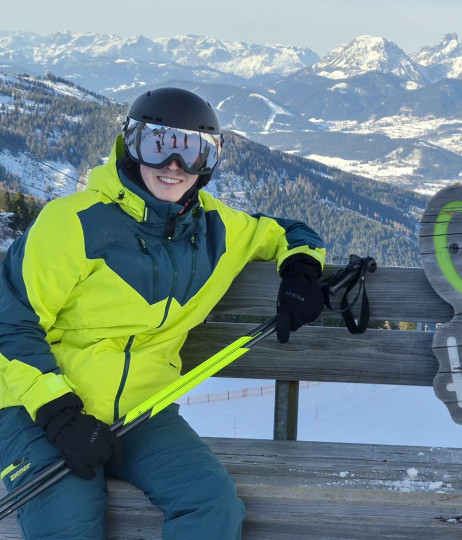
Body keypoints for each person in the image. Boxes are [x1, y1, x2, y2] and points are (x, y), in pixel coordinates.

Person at [0, 87, 327, 538]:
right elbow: (11, 322)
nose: (174, 166)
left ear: (209, 162)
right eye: (158, 145)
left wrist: (301, 269)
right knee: (67, 523)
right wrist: (60, 415)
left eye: (193, 152)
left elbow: (290, 232)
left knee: (212, 505)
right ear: (131, 145)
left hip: (141, 414)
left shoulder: (217, 231)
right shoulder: (71, 222)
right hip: (39, 410)